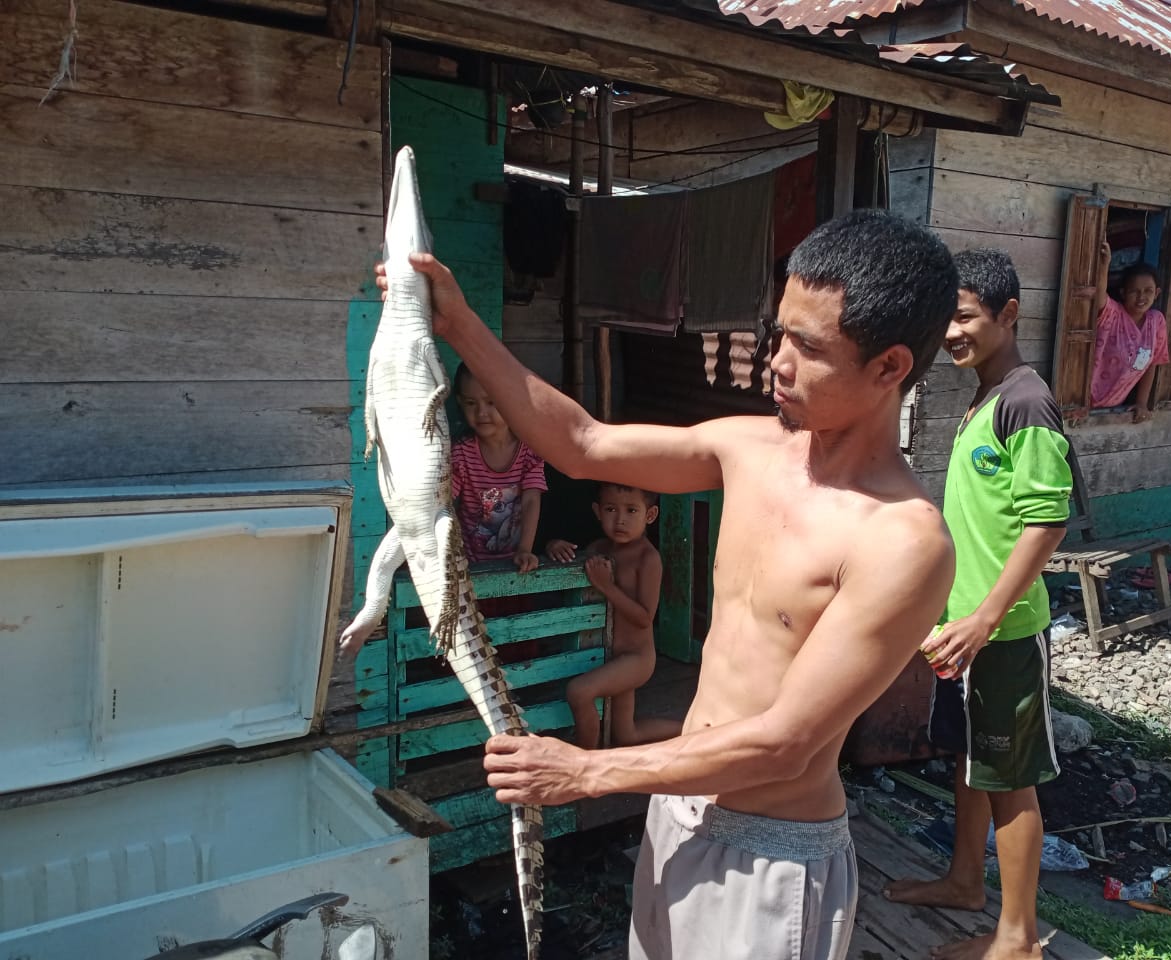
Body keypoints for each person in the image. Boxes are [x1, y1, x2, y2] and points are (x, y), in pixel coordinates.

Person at [377, 210, 959, 960]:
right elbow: (583, 444)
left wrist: (588, 771)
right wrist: (456, 323)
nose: (777, 361)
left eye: (808, 348)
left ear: (890, 368)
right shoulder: (746, 447)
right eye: (779, 332)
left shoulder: (902, 542)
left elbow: (787, 743)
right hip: (675, 809)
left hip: (770, 852)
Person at [884, 248, 1071, 960]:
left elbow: (1045, 520)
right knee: (967, 759)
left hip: (1003, 633)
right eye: (946, 320)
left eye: (963, 317)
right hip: (960, 628)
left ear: (1008, 315)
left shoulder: (1026, 398)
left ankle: (1018, 940)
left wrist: (987, 616)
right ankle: (965, 881)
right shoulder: (984, 399)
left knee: (1008, 778)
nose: (952, 333)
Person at [551, 483, 683, 749]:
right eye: (611, 509)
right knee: (626, 736)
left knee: (579, 692)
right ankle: (693, 728)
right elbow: (577, 559)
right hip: (614, 657)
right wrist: (555, 545)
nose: (620, 519)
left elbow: (645, 617)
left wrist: (607, 586)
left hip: (636, 659)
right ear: (598, 512)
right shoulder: (599, 547)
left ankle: (584, 762)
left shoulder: (648, 558)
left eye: (631, 510)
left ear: (650, 515)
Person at [451, 362, 547, 572]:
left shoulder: (529, 451)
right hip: (472, 568)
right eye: (470, 403)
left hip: (518, 566)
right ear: (460, 403)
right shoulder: (461, 454)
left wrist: (525, 550)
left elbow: (531, 499)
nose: (481, 412)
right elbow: (445, 504)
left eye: (491, 402)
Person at [1088, 242, 1170, 422]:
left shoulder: (1156, 322)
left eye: (1148, 291)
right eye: (1135, 291)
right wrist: (1104, 266)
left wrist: (1141, 403)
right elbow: (1099, 296)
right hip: (1085, 401)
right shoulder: (1112, 313)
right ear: (1123, 293)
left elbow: (1152, 364)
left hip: (1117, 406)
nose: (1142, 297)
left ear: (1157, 293)